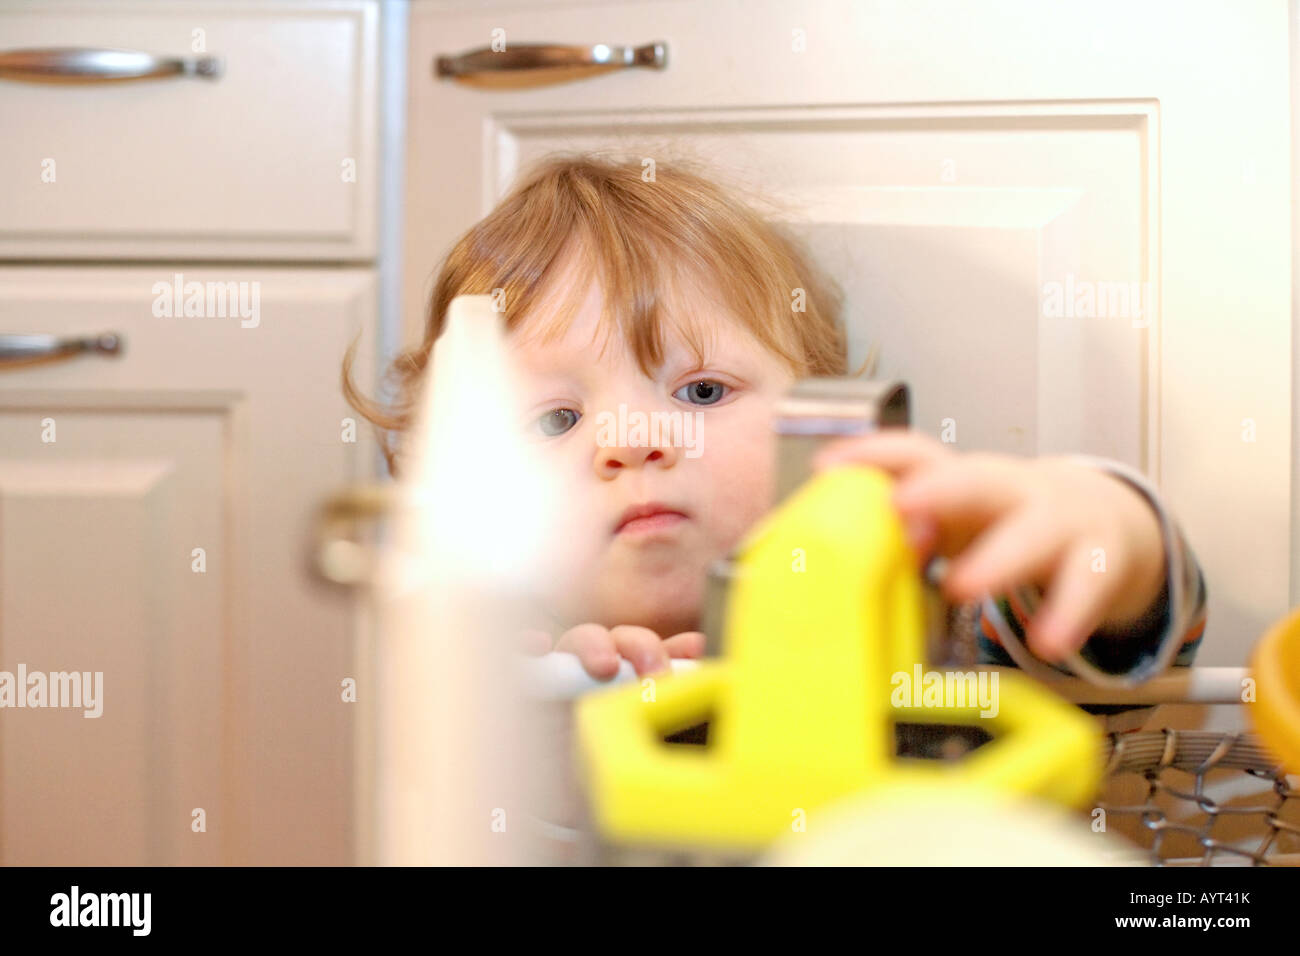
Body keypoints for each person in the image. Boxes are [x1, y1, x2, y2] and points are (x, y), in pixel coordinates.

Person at [342, 154, 1205, 723]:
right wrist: (547, 718)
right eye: (557, 420)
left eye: (704, 390)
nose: (633, 441)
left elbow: (1111, 629)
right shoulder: (505, 679)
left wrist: (1095, 523)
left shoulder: (916, 618)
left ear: (823, 422)